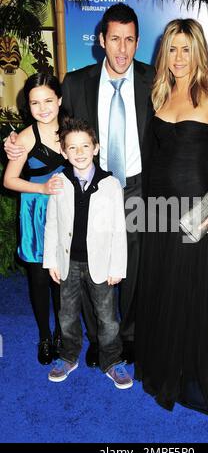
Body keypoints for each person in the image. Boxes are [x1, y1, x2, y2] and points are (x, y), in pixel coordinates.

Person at [4, 3, 208, 367]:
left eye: (130, 40)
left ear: (138, 41)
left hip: (140, 187)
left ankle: (127, 337)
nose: (122, 48)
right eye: (115, 39)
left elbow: (194, 116)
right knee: (86, 262)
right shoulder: (77, 83)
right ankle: (98, 339)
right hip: (90, 188)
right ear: (101, 40)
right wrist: (18, 142)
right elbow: (56, 131)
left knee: (133, 264)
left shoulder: (155, 82)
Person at [134, 19, 208, 424]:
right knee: (160, 281)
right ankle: (163, 359)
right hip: (157, 204)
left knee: (185, 287)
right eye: (172, 49)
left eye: (186, 49)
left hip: (194, 204)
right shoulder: (159, 93)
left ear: (199, 52)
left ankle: (186, 369)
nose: (178, 58)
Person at [43, 118, 132, 389]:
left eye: (85, 146)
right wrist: (51, 262)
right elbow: (53, 225)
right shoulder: (58, 182)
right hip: (67, 262)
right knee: (66, 314)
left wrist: (117, 266)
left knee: (107, 317)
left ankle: (112, 361)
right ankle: (68, 356)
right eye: (72, 147)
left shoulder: (110, 184)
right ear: (63, 151)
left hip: (102, 265)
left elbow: (119, 229)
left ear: (96, 148)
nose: (79, 152)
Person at [3, 73, 65, 365]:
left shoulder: (72, 130)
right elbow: (9, 180)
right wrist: (41, 188)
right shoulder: (25, 138)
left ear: (60, 100)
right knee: (39, 280)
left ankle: (64, 334)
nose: (43, 108)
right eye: (35, 102)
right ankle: (44, 336)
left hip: (67, 214)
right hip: (36, 214)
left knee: (63, 280)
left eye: (48, 100)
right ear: (28, 106)